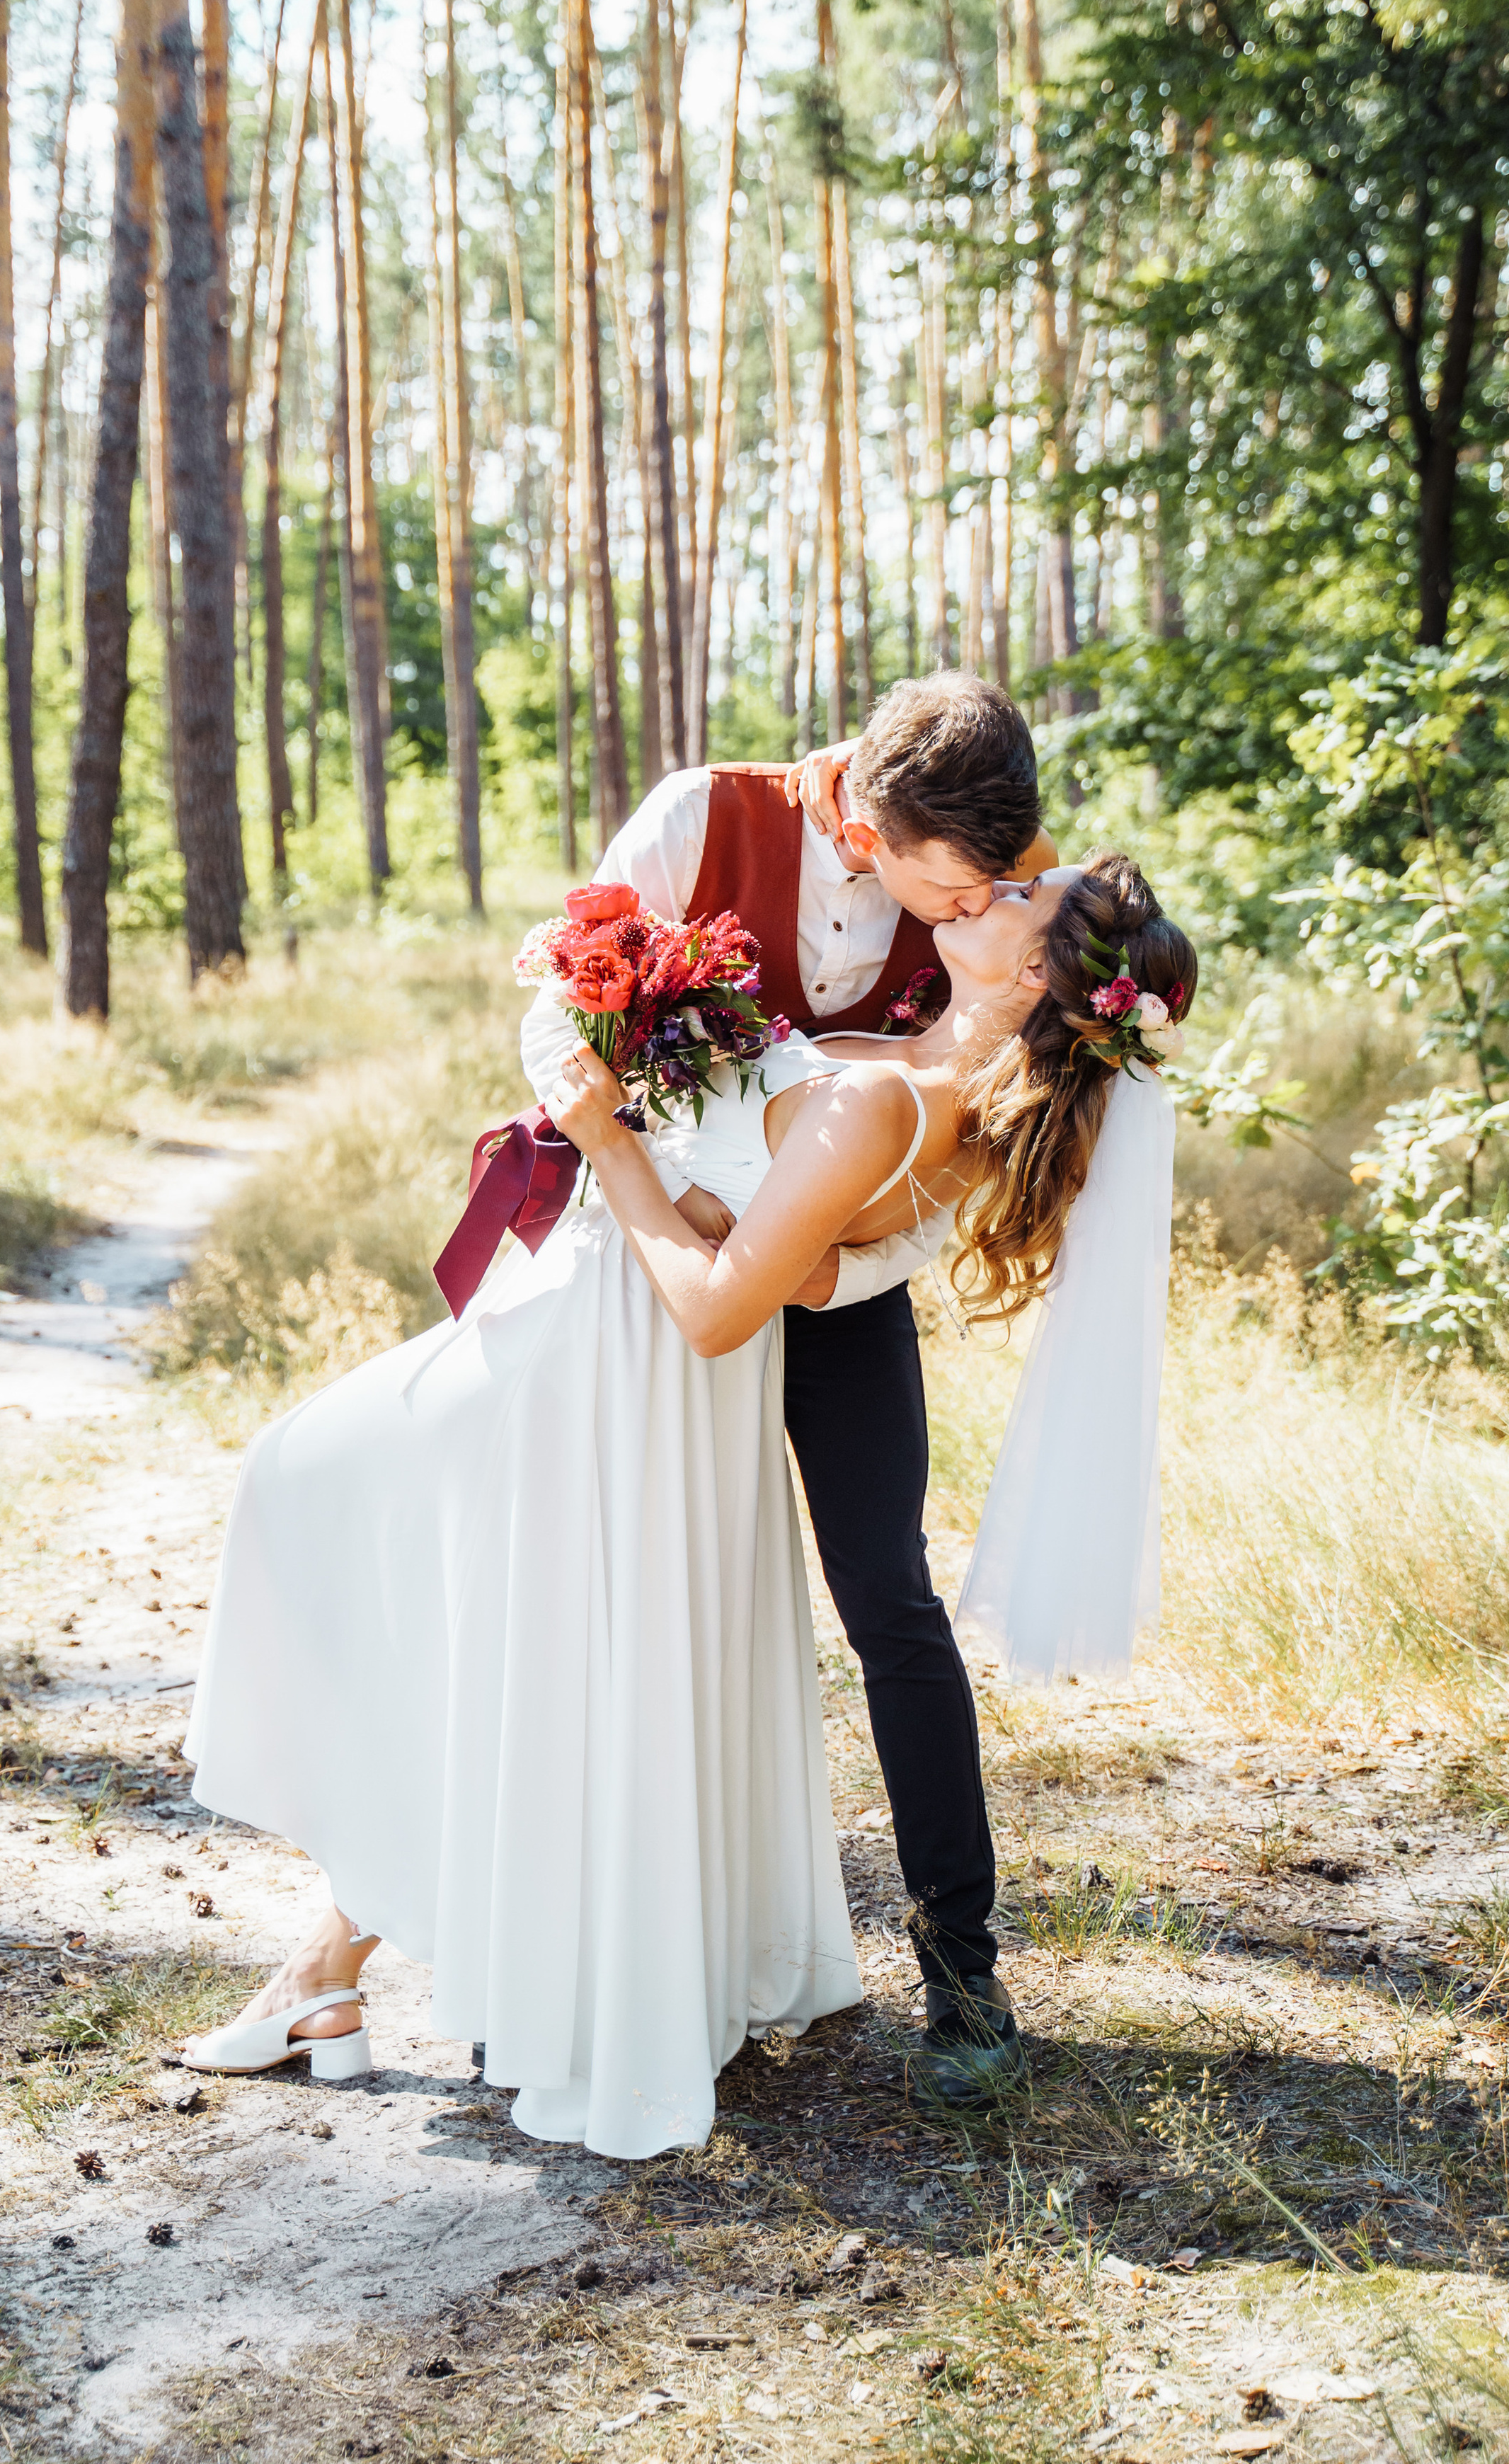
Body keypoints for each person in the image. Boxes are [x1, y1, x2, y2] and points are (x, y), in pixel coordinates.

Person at [176, 856, 1194, 2159]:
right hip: (597, 1339)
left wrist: (613, 1142)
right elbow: (783, 1225)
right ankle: (332, 1970)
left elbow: (722, 1308)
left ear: (1040, 973)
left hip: (619, 1364)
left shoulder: (893, 1099)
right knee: (477, 1628)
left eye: (1015, 904)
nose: (987, 893)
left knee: (307, 1488)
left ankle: (392, 1958)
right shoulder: (907, 1065)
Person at [518, 675, 1058, 2107]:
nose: (970, 910)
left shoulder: (989, 896)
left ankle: (960, 1964)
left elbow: (957, 1157)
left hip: (833, 1281)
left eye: (989, 886)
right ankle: (586, 1950)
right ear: (868, 825)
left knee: (888, 1597)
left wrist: (824, 1281)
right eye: (949, 887)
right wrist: (665, 1190)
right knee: (607, 1587)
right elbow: (550, 1019)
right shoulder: (701, 816)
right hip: (658, 1250)